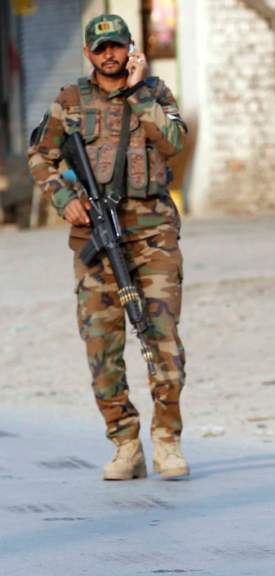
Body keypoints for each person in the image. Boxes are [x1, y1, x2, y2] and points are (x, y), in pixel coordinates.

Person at [27, 14, 188, 481]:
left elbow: (174, 140)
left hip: (153, 238)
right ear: (88, 54)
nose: (110, 55)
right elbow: (40, 154)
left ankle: (167, 440)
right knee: (101, 347)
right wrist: (64, 198)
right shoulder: (71, 101)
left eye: (117, 46)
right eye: (101, 49)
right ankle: (124, 442)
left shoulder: (154, 94)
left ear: (131, 49)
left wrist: (138, 94)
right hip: (94, 241)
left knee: (162, 341)